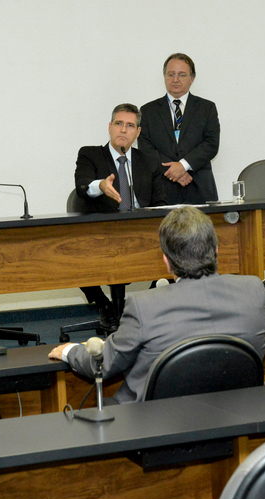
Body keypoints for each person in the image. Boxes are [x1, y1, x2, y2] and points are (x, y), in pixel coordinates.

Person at [50, 206, 265, 403]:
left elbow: (104, 363)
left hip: (157, 424)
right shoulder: (254, 289)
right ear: (216, 250)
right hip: (238, 414)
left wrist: (70, 351)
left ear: (166, 261)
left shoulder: (144, 306)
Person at [74, 103, 167, 330]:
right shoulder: (90, 154)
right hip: (103, 233)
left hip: (140, 233)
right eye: (118, 124)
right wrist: (101, 185)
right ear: (110, 127)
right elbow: (82, 185)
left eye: (130, 125)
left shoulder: (149, 161)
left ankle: (144, 306)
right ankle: (104, 305)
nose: (123, 130)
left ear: (138, 132)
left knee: (176, 246)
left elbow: (161, 204)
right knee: (73, 252)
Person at [139, 53, 220, 204]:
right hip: (162, 189)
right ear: (164, 77)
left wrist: (183, 165)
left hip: (199, 187)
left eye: (182, 75)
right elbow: (146, 149)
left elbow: (211, 144)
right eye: (171, 74)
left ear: (192, 78)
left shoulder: (207, 108)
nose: (175, 79)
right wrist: (173, 171)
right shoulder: (148, 111)